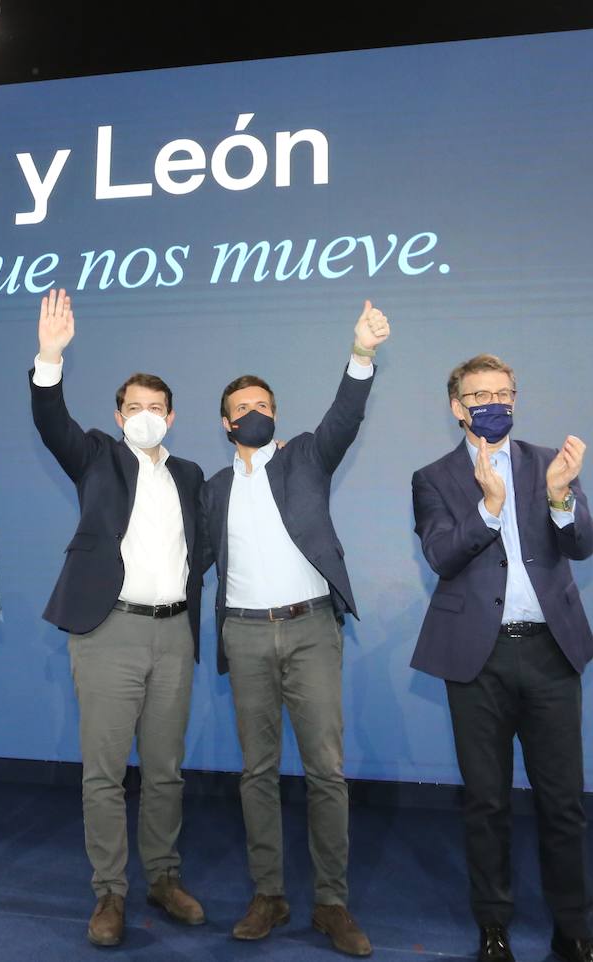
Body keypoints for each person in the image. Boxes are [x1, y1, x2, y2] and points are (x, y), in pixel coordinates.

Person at [200, 301, 389, 958]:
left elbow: (346, 414)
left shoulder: (307, 456)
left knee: (325, 772)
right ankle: (269, 893)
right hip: (245, 638)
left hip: (311, 632)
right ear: (226, 424)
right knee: (256, 771)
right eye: (244, 406)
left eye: (265, 403)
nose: (257, 412)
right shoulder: (215, 488)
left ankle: (331, 904)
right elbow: (191, 559)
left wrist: (360, 352)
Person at [409, 354, 593, 962]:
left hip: (550, 652)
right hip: (478, 659)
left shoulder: (550, 463)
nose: (493, 403)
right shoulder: (433, 478)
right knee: (486, 801)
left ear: (515, 398)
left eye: (503, 393)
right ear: (456, 406)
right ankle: (492, 927)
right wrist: (488, 509)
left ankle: (573, 929)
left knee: (562, 800)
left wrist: (561, 499)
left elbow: (583, 543)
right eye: (479, 394)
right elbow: (442, 556)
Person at [29, 290, 209, 948]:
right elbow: (53, 424)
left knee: (166, 769)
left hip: (174, 633)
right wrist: (50, 359)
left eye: (155, 408)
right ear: (118, 414)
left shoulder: (190, 474)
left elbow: (204, 550)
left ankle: (163, 877)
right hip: (109, 632)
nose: (144, 416)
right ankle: (109, 893)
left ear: (171, 416)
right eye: (133, 407)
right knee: (104, 772)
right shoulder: (97, 456)